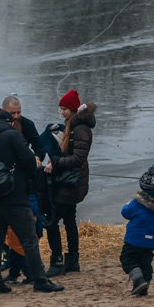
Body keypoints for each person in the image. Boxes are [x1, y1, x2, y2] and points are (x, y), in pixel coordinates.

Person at [0, 110, 64, 293]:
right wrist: (32, 175)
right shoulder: (12, 136)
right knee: (29, 239)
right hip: (15, 197)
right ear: (9, 122)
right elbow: (28, 162)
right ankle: (39, 280)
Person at [43, 90, 96, 276]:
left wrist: (56, 163)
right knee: (69, 220)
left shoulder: (80, 129)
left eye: (65, 109)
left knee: (51, 222)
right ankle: (73, 261)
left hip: (71, 183)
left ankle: (57, 261)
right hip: (71, 181)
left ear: (74, 109)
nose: (62, 112)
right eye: (61, 109)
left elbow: (78, 158)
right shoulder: (72, 126)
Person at [120, 167, 154, 296]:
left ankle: (138, 280)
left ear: (142, 185)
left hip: (134, 239)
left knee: (127, 259)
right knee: (145, 262)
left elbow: (125, 212)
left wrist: (129, 202)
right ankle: (144, 285)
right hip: (150, 241)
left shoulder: (137, 202)